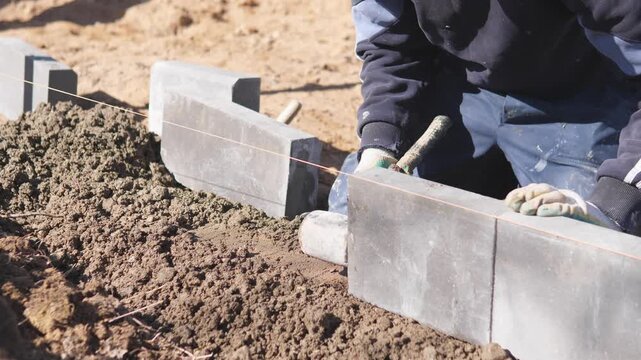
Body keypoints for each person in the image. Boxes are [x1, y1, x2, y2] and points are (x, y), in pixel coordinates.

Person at [329, 0, 641, 235]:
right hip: (461, 91)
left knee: (584, 254)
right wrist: (381, 140)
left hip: (581, 101)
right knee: (353, 214)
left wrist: (613, 203)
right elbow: (389, 44)